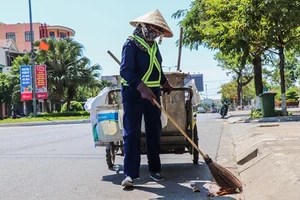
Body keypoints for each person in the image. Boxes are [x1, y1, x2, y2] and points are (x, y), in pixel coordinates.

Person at [119, 9, 173, 187]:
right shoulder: (131, 44)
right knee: (132, 133)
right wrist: (141, 87)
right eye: (154, 29)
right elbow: (125, 71)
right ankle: (130, 174)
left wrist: (164, 82)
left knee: (154, 131)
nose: (156, 33)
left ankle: (154, 170)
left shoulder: (154, 46)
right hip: (133, 93)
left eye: (159, 31)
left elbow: (157, 67)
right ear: (144, 26)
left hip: (153, 94)